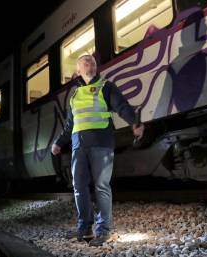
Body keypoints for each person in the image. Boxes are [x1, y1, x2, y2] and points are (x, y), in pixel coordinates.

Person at [51, 55, 145, 246]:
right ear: (78, 71)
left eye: (93, 62)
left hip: (101, 142)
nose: (90, 64)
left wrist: (134, 122)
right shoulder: (75, 95)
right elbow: (70, 124)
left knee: (101, 186)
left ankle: (103, 230)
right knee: (79, 187)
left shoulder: (106, 86)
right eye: (85, 62)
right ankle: (84, 228)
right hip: (78, 146)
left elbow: (121, 106)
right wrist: (59, 142)